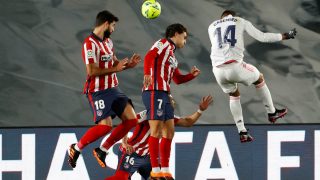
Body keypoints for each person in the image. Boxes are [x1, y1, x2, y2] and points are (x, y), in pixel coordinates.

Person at [208, 10, 297, 143]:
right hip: (235, 67)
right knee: (259, 78)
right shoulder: (240, 21)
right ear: (233, 15)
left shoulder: (212, 26)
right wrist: (285, 36)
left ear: (221, 18)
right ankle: (272, 113)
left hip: (218, 71)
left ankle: (242, 131)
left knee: (234, 94)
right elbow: (262, 36)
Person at [68, 10, 141, 168]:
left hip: (113, 88)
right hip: (98, 91)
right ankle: (76, 148)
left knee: (131, 120)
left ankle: (103, 149)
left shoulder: (108, 42)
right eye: (113, 26)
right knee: (105, 126)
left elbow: (115, 64)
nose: (114, 30)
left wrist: (129, 66)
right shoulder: (89, 43)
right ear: (106, 24)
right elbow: (92, 71)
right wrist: (117, 69)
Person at [105, 95, 213, 180]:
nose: (172, 103)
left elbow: (188, 122)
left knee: (161, 178)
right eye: (169, 101)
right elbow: (127, 123)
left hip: (147, 157)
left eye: (172, 102)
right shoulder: (148, 114)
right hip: (131, 152)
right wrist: (124, 143)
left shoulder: (169, 119)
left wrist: (200, 110)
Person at [142, 23, 201, 179]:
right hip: (154, 91)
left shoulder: (172, 56)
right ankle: (155, 171)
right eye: (184, 37)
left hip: (165, 94)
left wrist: (191, 75)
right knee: (156, 130)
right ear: (176, 34)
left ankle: (165, 170)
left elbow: (177, 79)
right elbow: (149, 56)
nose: (185, 41)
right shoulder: (163, 43)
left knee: (169, 132)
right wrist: (148, 73)